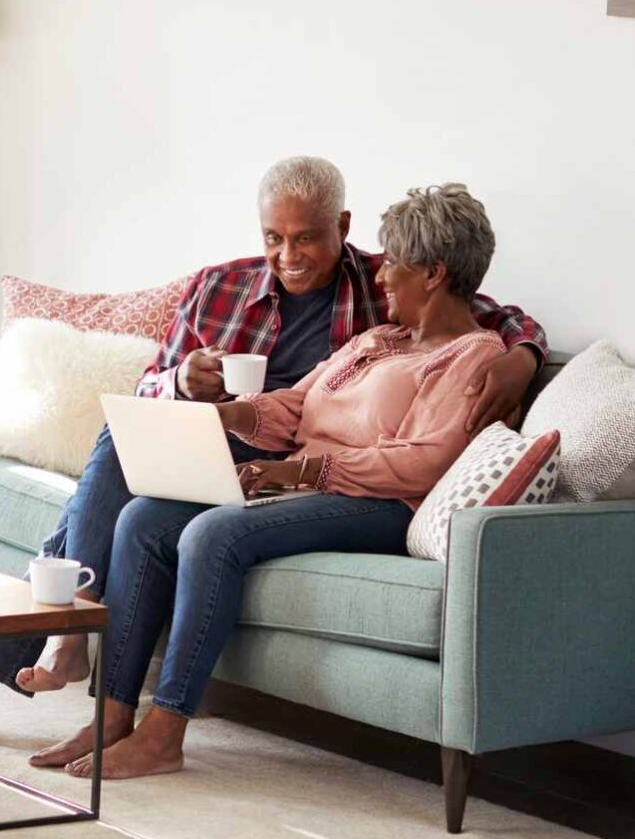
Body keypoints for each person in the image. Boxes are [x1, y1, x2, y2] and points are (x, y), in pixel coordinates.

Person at [0, 157, 547, 743]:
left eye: (306, 237)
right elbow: (177, 390)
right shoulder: (235, 290)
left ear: (342, 228)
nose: (288, 255)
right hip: (237, 431)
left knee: (179, 520)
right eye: (273, 238)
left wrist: (523, 355)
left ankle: (46, 646)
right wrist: (188, 388)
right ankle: (72, 632)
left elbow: (478, 312)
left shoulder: (385, 292)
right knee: (124, 439)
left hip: (302, 464)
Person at [43, 182, 509, 777]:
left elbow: (425, 459)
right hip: (306, 485)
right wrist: (228, 415)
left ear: (435, 273)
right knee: (143, 518)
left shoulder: (474, 357)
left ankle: (166, 731)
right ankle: (111, 715)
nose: (383, 275)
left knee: (213, 535)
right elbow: (297, 404)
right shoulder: (378, 341)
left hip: (379, 503)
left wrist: (300, 469)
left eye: (395, 262)